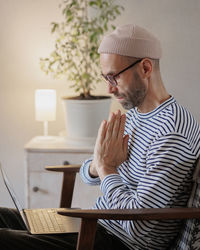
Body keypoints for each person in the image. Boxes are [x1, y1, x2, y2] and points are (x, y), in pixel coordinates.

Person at [0, 24, 199, 250]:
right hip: (97, 225)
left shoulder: (171, 132)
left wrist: (106, 169)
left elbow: (139, 226)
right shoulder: (136, 115)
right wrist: (98, 165)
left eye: (114, 77)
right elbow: (91, 173)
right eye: (105, 78)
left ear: (145, 68)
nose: (109, 89)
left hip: (119, 242)